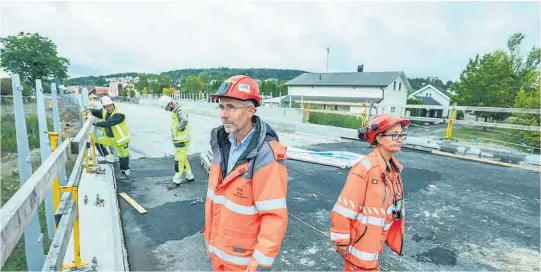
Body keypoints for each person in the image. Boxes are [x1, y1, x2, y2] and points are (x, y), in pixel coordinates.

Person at [203, 75, 289, 271]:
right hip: (219, 253)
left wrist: (259, 263)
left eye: (231, 107)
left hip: (243, 263)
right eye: (221, 107)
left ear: (251, 111)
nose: (223, 115)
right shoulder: (222, 144)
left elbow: (274, 216)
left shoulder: (266, 155)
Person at [330, 113, 409, 271]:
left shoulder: (392, 169)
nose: (400, 139)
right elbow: (343, 209)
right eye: (394, 135)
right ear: (379, 138)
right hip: (361, 246)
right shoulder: (365, 169)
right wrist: (341, 241)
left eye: (402, 135)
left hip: (374, 242)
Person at [88, 96, 132, 181]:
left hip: (121, 139)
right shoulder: (104, 111)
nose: (109, 108)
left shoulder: (119, 114)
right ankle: (108, 156)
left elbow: (109, 123)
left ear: (113, 104)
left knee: (123, 156)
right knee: (97, 141)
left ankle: (125, 172)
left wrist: (97, 124)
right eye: (107, 106)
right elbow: (97, 112)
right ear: (104, 107)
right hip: (111, 138)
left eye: (110, 105)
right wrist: (90, 111)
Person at [158, 95, 195, 189]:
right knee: (183, 159)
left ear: (170, 104)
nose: (166, 110)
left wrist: (180, 129)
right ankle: (189, 176)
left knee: (179, 160)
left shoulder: (180, 110)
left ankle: (176, 180)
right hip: (180, 140)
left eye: (166, 107)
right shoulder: (176, 110)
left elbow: (184, 120)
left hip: (182, 140)